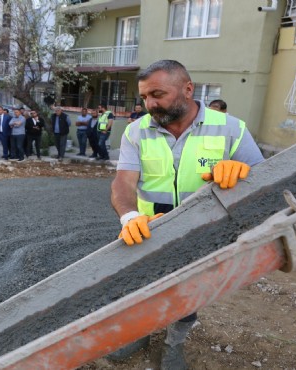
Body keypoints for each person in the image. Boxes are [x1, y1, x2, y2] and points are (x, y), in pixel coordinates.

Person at [111, 60, 264, 370]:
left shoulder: (231, 128)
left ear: (188, 89)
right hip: (149, 231)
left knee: (189, 295)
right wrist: (129, 217)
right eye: (144, 97)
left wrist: (245, 174)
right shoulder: (136, 131)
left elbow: (263, 182)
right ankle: (137, 333)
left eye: (158, 94)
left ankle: (173, 344)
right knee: (139, 287)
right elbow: (123, 182)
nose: (150, 104)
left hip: (204, 233)